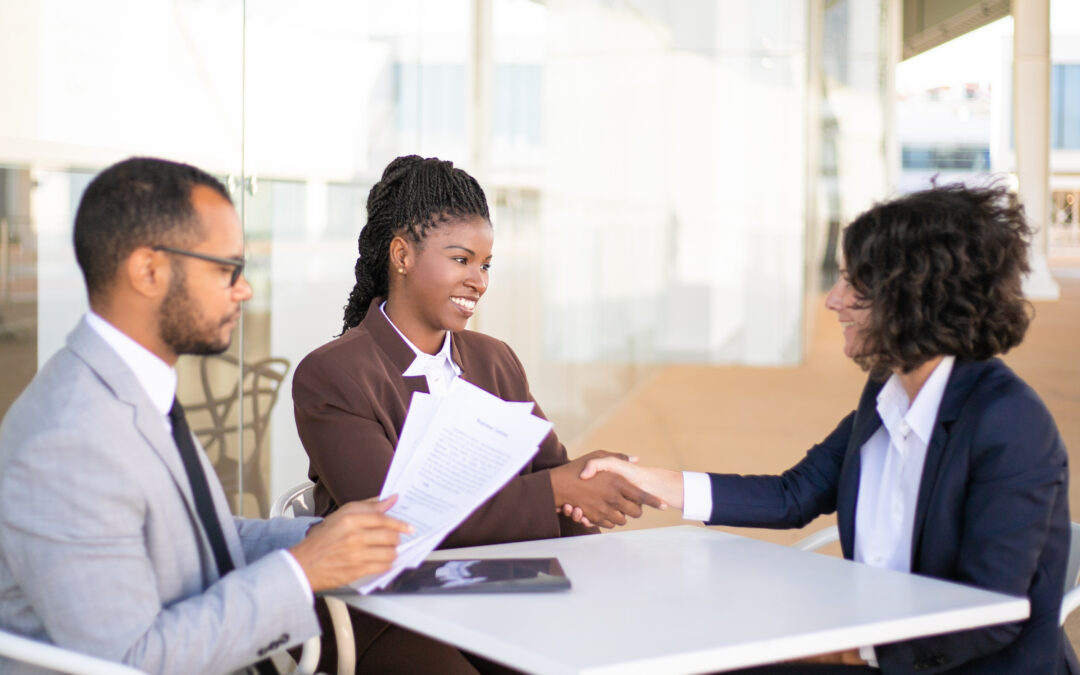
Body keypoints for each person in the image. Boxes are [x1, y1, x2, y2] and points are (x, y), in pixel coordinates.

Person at [574, 184, 1077, 674]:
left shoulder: (1009, 425)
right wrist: (649, 481)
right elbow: (795, 494)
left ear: (912, 297)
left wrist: (845, 651)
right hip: (870, 647)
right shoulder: (889, 390)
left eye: (852, 285)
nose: (832, 301)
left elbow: (991, 614)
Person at [0, 157, 412, 675]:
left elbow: (198, 536)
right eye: (226, 270)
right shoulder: (67, 440)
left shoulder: (130, 387)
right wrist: (303, 571)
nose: (245, 290)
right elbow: (132, 661)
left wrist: (323, 541)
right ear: (148, 270)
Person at [292, 154, 659, 672]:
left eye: (485, 265)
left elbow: (547, 471)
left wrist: (590, 487)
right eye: (461, 260)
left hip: (499, 587)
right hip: (382, 607)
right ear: (401, 255)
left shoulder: (494, 359)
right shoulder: (332, 374)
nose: (479, 281)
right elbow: (394, 522)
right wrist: (560, 489)